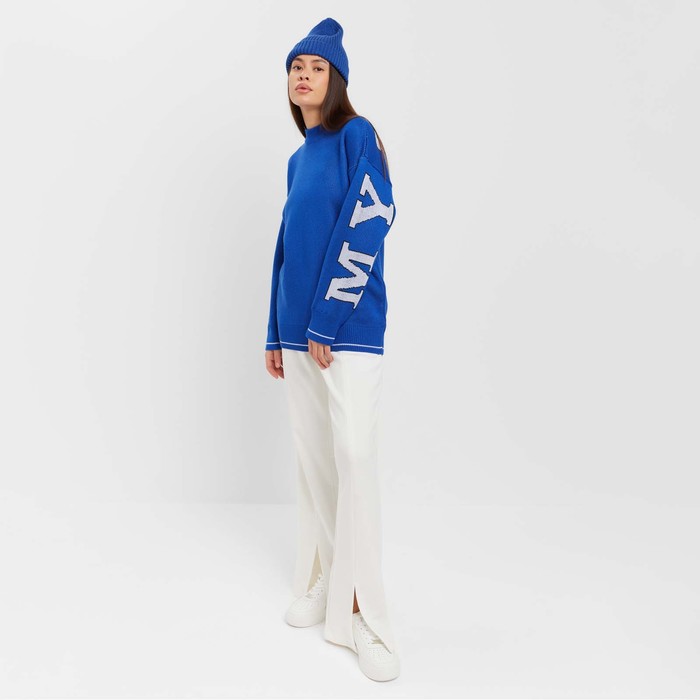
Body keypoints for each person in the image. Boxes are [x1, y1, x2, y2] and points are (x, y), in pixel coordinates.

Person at [263, 17, 400, 682]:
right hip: (297, 338)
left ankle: (366, 616)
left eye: (315, 67)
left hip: (347, 329)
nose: (303, 76)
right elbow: (286, 246)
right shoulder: (298, 159)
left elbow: (370, 219)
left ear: (336, 79)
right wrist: (275, 331)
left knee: (355, 456)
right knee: (316, 465)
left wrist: (324, 319)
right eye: (296, 67)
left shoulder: (357, 136)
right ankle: (325, 582)